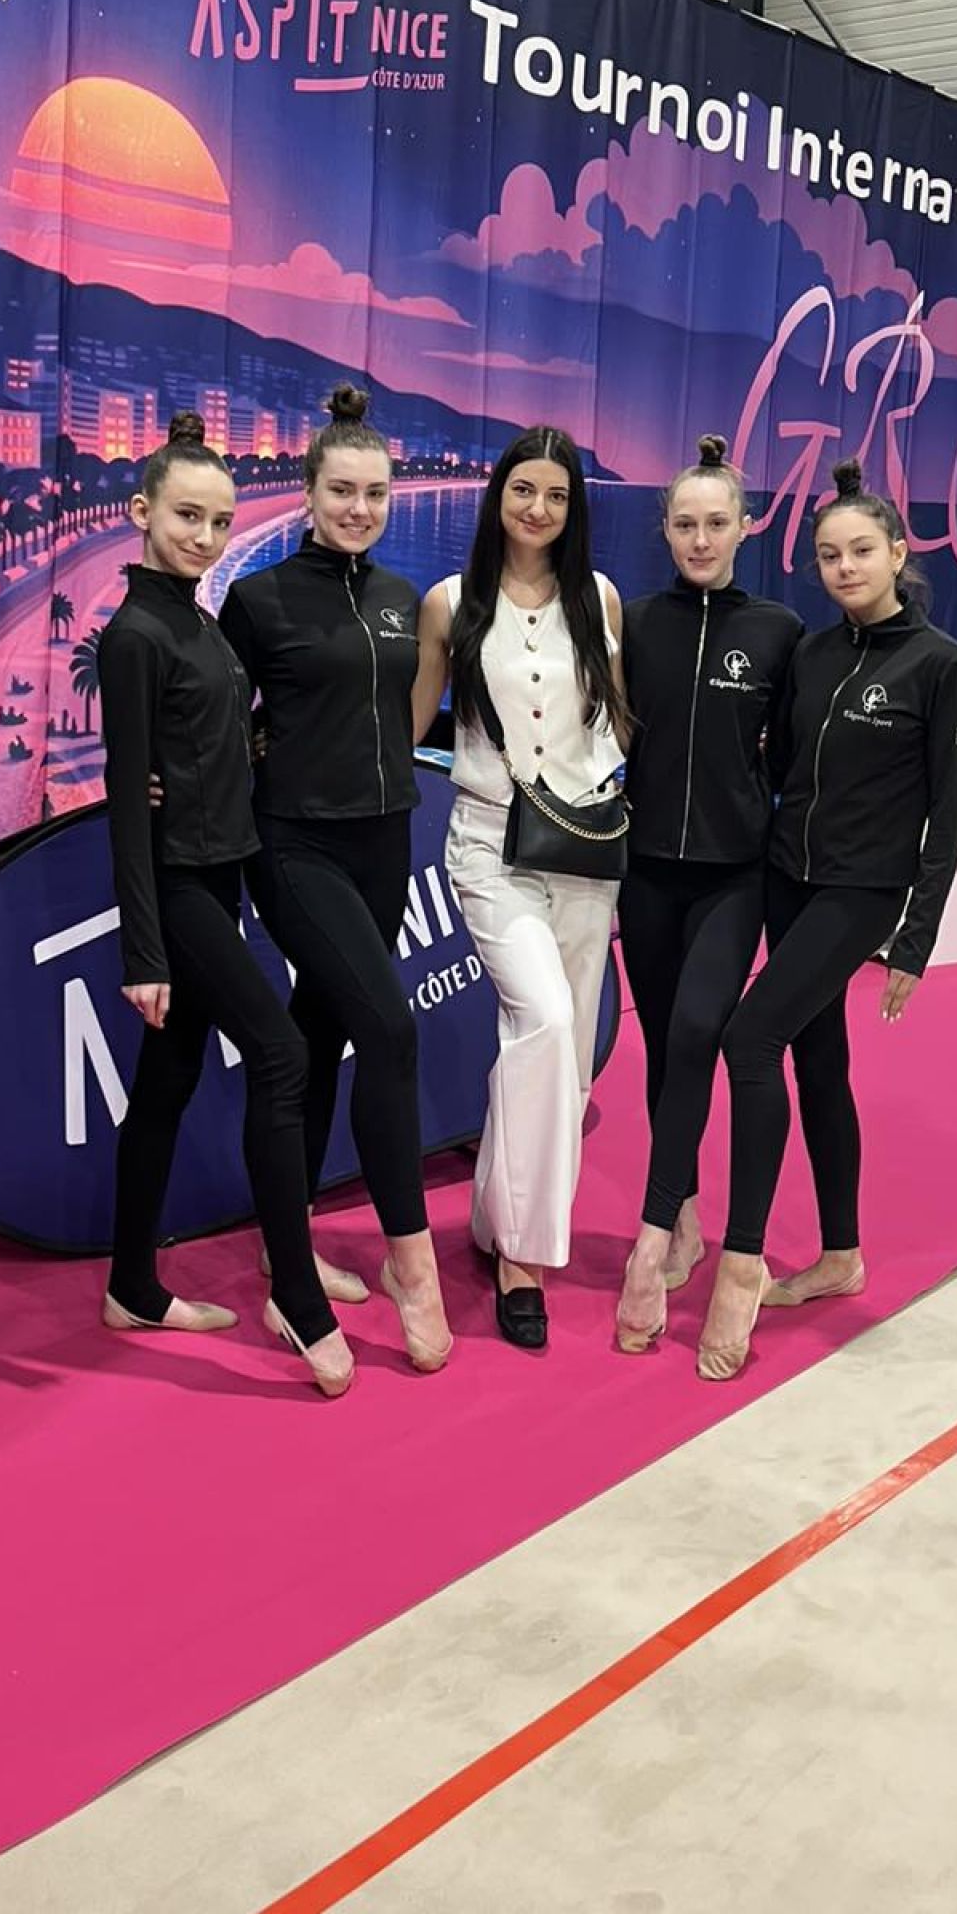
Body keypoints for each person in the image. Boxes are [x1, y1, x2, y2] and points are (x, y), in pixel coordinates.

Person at [697, 458, 957, 1381]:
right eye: (828, 555)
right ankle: (841, 1255)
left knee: (750, 1039)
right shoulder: (813, 655)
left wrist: (915, 941)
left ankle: (742, 1261)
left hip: (862, 894)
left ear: (898, 552)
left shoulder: (939, 664)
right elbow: (775, 769)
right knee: (818, 1062)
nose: (845, 568)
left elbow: (949, 814)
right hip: (789, 878)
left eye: (861, 550)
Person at [97, 412, 355, 1399]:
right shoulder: (135, 635)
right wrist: (144, 951)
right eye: (186, 517)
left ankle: (131, 1286)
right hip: (178, 888)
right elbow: (127, 798)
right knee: (282, 1055)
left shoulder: (195, 619)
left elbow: (202, 744)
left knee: (166, 1083)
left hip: (220, 872)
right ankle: (296, 1291)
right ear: (142, 511)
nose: (205, 536)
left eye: (219, 520)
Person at [220, 386, 454, 1373]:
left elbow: (402, 714)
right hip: (296, 849)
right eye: (343, 491)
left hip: (384, 844)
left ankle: (288, 1258)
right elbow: (216, 720)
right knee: (388, 1030)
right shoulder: (260, 600)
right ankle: (414, 1266)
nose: (359, 508)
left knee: (319, 1036)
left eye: (375, 493)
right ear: (309, 493)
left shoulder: (401, 597)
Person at [413, 428, 628, 1350]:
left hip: (584, 848)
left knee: (564, 1054)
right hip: (489, 847)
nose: (538, 509)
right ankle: (522, 1260)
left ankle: (494, 1216)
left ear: (574, 509)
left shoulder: (599, 598)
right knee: (541, 1019)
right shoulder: (449, 602)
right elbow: (407, 721)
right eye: (523, 491)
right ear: (497, 496)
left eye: (557, 495)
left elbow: (621, 719)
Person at [612, 438, 803, 1352]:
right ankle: (684, 1217)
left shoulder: (776, 631)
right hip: (646, 869)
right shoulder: (635, 623)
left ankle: (651, 1242)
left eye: (716, 523)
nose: (700, 539)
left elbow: (797, 758)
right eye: (685, 524)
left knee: (697, 1031)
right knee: (661, 1046)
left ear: (744, 527)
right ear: (665, 529)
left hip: (734, 876)